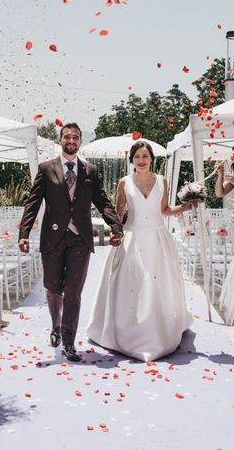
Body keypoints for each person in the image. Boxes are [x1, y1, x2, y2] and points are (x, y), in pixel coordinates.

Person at [18, 123, 122, 362]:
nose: (71, 141)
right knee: (54, 288)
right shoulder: (46, 169)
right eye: (67, 137)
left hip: (80, 240)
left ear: (80, 142)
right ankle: (55, 325)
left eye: (76, 137)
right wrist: (24, 233)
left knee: (73, 293)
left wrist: (116, 226)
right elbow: (33, 203)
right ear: (61, 140)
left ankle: (69, 342)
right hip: (52, 239)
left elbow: (103, 202)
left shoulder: (91, 171)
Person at [86, 141, 194, 362]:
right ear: (132, 160)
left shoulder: (162, 181)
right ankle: (129, 331)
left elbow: (164, 210)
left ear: (151, 159)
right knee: (132, 285)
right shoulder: (124, 183)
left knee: (158, 285)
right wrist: (114, 234)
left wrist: (185, 206)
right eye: (137, 157)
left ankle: (158, 330)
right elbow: (117, 213)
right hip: (132, 239)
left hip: (157, 239)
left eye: (145, 156)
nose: (141, 160)